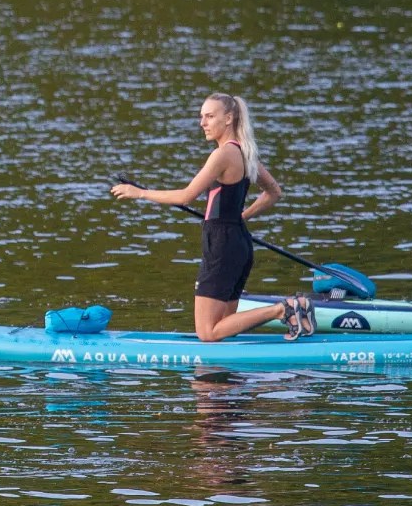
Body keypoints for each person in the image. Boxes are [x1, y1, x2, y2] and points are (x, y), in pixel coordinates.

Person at [110, 93, 310, 341]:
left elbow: (186, 196)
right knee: (223, 327)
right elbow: (274, 193)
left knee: (207, 333)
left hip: (222, 245)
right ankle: (288, 314)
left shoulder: (222, 155)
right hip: (239, 242)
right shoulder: (246, 153)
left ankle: (285, 309)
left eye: (209, 116)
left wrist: (140, 193)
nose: (202, 123)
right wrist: (240, 217)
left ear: (228, 119)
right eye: (201, 116)